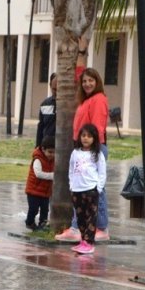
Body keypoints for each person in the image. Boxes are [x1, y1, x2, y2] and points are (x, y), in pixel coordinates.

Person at [56, 63, 110, 242]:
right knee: (81, 188)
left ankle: (100, 227)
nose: (87, 84)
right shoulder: (86, 100)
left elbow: (96, 127)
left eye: (91, 80)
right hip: (83, 148)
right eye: (84, 81)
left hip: (93, 148)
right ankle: (77, 226)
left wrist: (90, 148)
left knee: (96, 189)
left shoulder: (99, 99)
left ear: (97, 82)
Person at [68, 123, 106, 255]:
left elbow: (102, 172)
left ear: (94, 138)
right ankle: (83, 241)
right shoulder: (75, 153)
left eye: (89, 136)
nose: (86, 138)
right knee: (80, 217)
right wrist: (71, 185)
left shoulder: (97, 154)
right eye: (83, 135)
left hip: (91, 189)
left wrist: (98, 188)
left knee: (91, 217)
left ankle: (89, 243)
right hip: (77, 190)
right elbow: (71, 170)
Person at [25, 135, 56, 231]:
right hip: (33, 191)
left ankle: (42, 224)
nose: (52, 155)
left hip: (45, 191)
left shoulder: (53, 159)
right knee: (33, 209)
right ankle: (29, 222)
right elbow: (38, 174)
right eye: (50, 152)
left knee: (45, 210)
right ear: (43, 149)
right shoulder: (37, 159)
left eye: (54, 152)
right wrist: (53, 176)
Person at [35, 72, 57, 148]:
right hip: (47, 147)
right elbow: (40, 127)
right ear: (50, 86)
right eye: (54, 89)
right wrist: (38, 146)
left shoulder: (70, 106)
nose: (57, 92)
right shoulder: (44, 104)